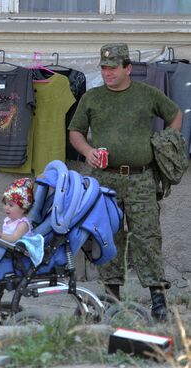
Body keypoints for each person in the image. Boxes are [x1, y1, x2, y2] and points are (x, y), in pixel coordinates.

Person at [68, 43, 182, 322]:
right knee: (108, 239)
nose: (107, 72)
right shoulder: (93, 98)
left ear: (127, 68)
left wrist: (165, 143)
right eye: (104, 68)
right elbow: (75, 131)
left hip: (142, 178)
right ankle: (111, 299)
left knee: (148, 238)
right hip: (106, 180)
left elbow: (175, 115)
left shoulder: (147, 94)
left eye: (113, 68)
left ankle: (158, 301)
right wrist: (87, 152)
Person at [0, 177, 34, 243]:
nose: (6, 207)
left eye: (11, 205)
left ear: (23, 208)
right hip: (6, 249)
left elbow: (13, 238)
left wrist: (0, 235)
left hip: (13, 252)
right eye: (5, 203)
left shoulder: (23, 224)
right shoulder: (8, 220)